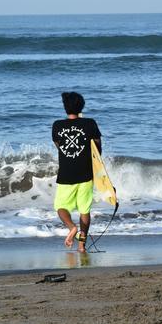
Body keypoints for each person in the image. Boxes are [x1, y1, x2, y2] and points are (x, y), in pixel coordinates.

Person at [51, 92, 102, 253]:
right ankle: (81, 245)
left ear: (65, 107)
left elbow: (59, 146)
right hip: (86, 173)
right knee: (84, 210)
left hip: (66, 174)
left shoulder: (57, 125)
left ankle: (72, 227)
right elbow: (98, 149)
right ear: (82, 106)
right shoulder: (90, 123)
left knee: (60, 207)